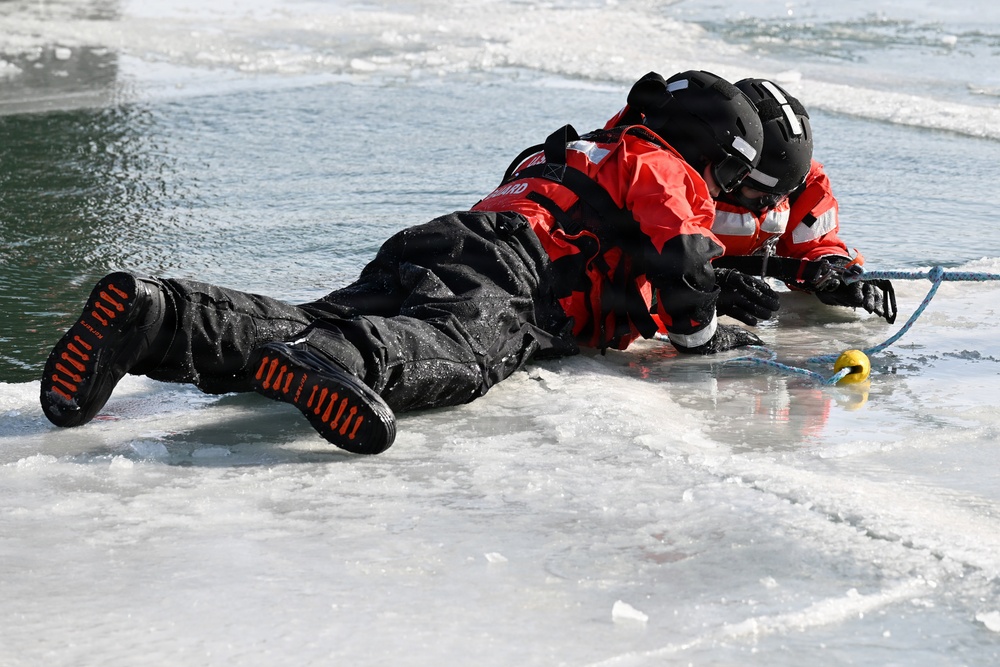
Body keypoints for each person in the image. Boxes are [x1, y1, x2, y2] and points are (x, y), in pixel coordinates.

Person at [40, 70, 767, 456]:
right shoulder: (666, 166)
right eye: (728, 177)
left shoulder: (575, 148)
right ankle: (339, 358)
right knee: (461, 352)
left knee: (304, 323)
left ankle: (162, 315)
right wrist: (705, 334)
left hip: (451, 238)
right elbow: (686, 265)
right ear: (710, 149)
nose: (723, 195)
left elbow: (616, 259)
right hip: (517, 272)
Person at [605, 76, 896, 326]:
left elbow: (813, 244)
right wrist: (710, 287)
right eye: (760, 192)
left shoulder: (799, 180)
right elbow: (622, 272)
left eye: (782, 194)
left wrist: (835, 271)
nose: (772, 203)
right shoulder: (667, 182)